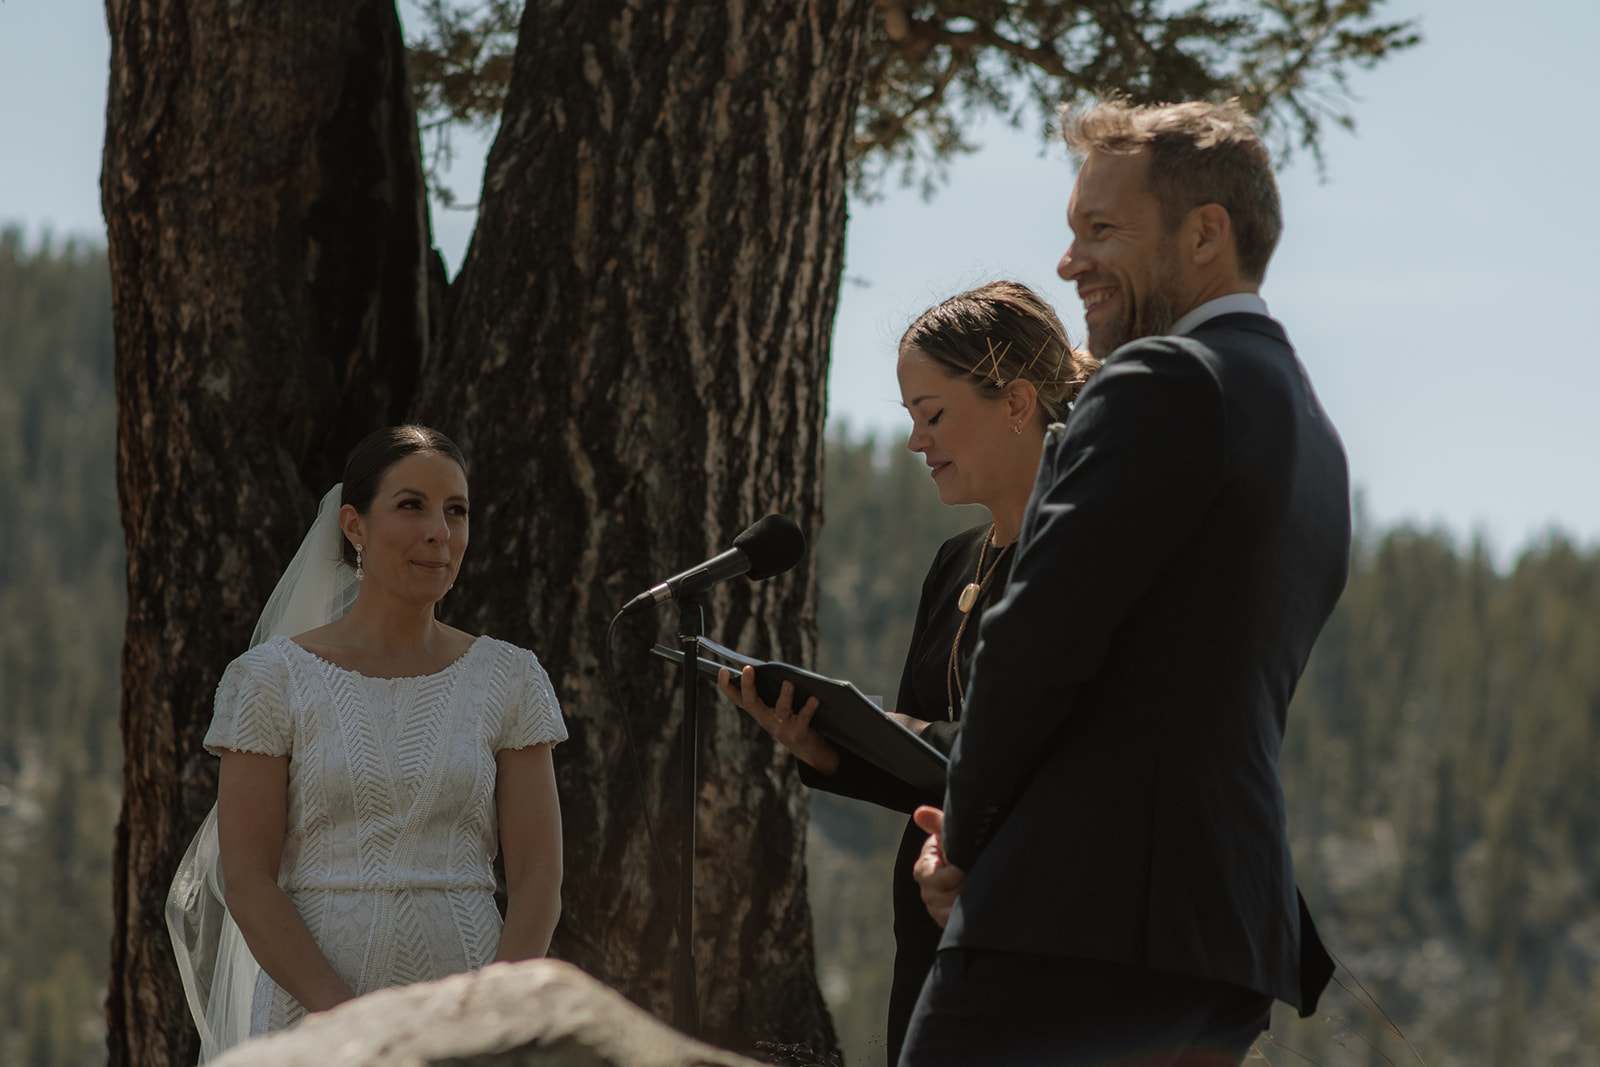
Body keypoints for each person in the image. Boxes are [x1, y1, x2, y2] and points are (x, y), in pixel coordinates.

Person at [902, 100, 1349, 1067]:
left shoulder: (1163, 378)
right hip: (1225, 944)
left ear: (1205, 233)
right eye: (1071, 233)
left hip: (1076, 923)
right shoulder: (1315, 437)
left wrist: (968, 843)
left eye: (1100, 230)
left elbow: (1034, 638)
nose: (1070, 264)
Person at [718, 281, 1098, 1064]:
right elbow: (931, 767)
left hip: (1037, 927)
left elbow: (1066, 749)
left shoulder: (1084, 556)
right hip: (929, 921)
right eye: (910, 419)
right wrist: (827, 750)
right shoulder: (952, 562)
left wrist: (909, 731)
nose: (918, 442)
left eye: (934, 414)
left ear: (1018, 401)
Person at [167, 426, 566, 1060]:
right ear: (353, 525)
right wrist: (355, 1024)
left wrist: (494, 1022)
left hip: (470, 1015)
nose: (440, 530)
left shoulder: (511, 678)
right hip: (318, 1018)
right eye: (412, 505)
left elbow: (539, 875)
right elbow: (246, 879)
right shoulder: (271, 680)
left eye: (456, 511)